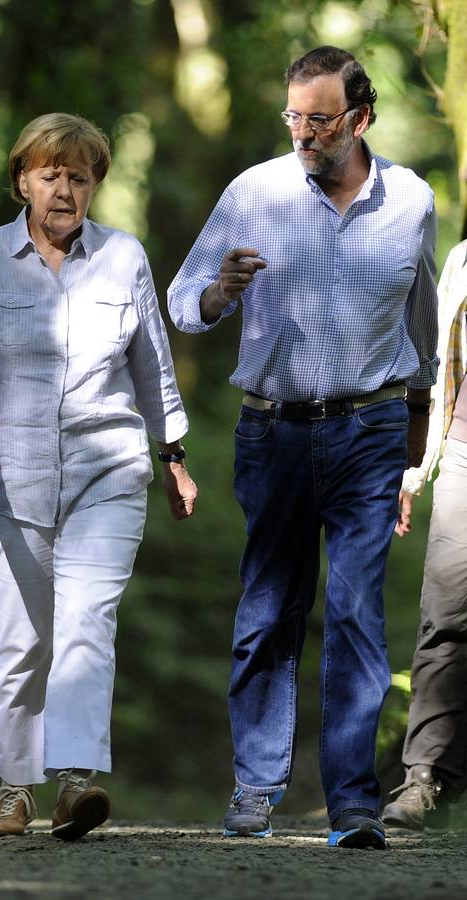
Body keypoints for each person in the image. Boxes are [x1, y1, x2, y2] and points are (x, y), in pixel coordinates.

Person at [168, 46, 438, 849]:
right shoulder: (254, 192)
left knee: (357, 615)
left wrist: (417, 452)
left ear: (360, 119)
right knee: (267, 614)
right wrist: (221, 291)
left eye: (319, 120)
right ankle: (255, 786)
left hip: (371, 430)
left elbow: (421, 328)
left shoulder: (413, 201)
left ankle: (354, 803)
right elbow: (183, 299)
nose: (303, 134)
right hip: (274, 430)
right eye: (293, 117)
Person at [0, 112, 197, 841]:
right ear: (22, 181)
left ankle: (77, 782)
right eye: (51, 174)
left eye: (79, 176)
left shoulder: (125, 257)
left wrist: (172, 456)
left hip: (108, 469)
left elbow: (152, 368)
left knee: (84, 622)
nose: (64, 189)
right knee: (20, 640)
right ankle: (16, 786)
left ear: (95, 185)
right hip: (7, 476)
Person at [382, 240, 467, 831]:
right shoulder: (463, 260)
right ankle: (426, 777)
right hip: (463, 455)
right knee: (447, 614)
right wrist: (413, 471)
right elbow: (438, 368)